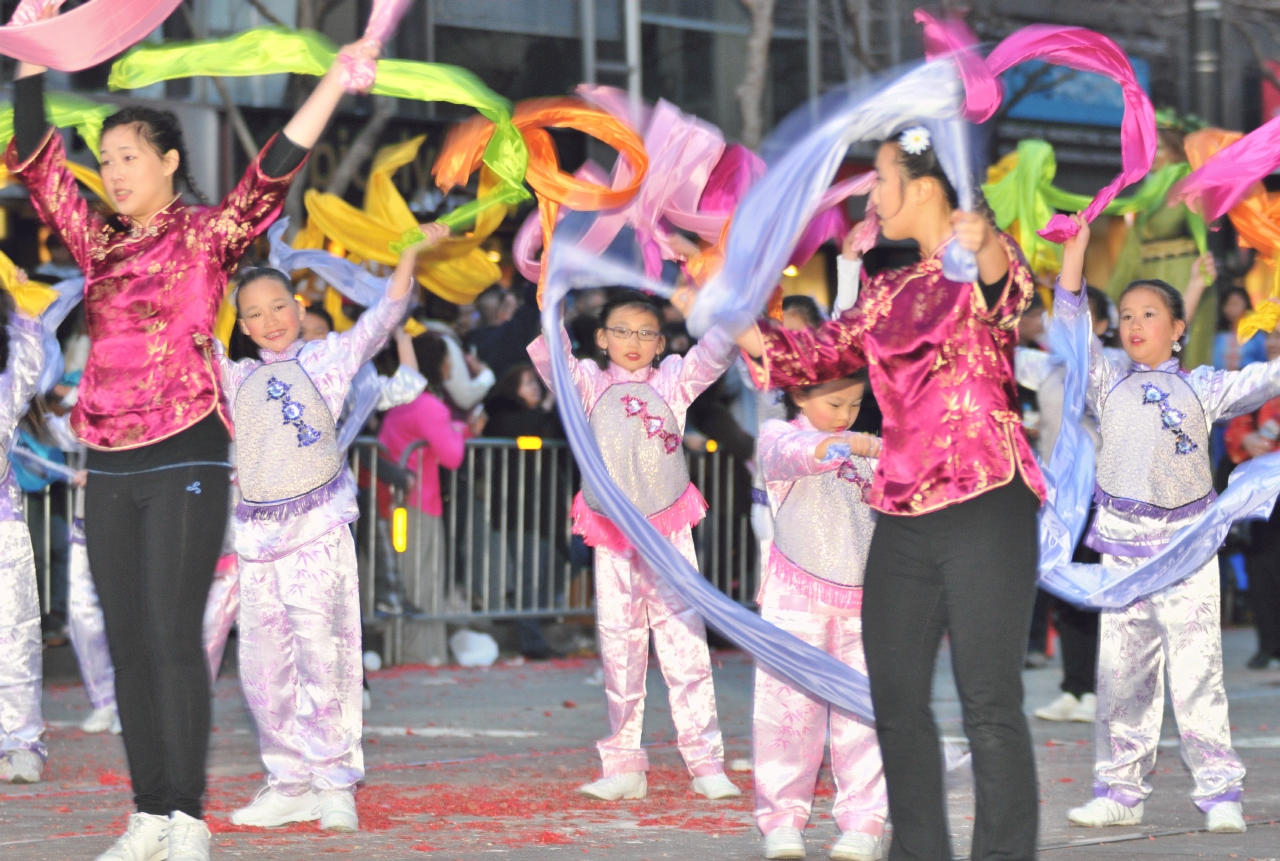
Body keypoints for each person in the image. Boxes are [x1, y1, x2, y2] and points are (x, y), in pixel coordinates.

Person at [4, 16, 372, 858]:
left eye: (128, 154)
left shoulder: (210, 234)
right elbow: (34, 157)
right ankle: (149, 811)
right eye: (105, 158)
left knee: (174, 635)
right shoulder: (94, 241)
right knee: (131, 643)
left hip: (190, 449)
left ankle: (190, 818)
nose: (112, 169)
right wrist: (24, 42)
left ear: (169, 161)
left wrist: (335, 83)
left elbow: (273, 166)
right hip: (109, 458)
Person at [735, 128, 1044, 861]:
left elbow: (1011, 292)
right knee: (896, 700)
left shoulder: (978, 266)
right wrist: (733, 317)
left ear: (925, 188)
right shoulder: (888, 290)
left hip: (985, 499)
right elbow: (807, 355)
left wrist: (988, 239)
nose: (872, 196)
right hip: (901, 511)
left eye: (879, 180)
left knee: (988, 701)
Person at [217, 224, 446, 832]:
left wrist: (410, 255)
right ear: (239, 325)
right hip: (256, 538)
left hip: (319, 528)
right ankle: (288, 781)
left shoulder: (327, 357)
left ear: (299, 309)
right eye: (254, 314)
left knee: (328, 656)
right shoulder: (231, 375)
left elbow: (384, 314)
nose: (269, 321)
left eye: (279, 308)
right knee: (263, 666)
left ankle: (334, 782)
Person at [1056, 214, 1277, 833]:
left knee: (1198, 672)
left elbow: (1267, 378)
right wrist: (1076, 245)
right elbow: (1071, 320)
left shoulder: (1203, 388)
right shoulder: (1106, 382)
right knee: (1122, 677)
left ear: (1179, 329)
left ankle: (1220, 792)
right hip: (1124, 553)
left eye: (1148, 314)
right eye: (1126, 315)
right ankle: (1120, 794)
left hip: (1187, 551)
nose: (1133, 324)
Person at [528, 288, 741, 803]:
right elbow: (554, 351)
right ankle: (624, 765)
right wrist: (550, 293)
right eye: (621, 331)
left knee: (685, 644)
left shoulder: (671, 382)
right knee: (620, 647)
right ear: (601, 339)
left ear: (660, 341)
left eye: (646, 333)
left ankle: (705, 761)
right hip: (613, 534)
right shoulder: (587, 384)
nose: (633, 341)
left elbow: (713, 352)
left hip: (668, 534)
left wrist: (729, 294)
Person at [753, 369, 888, 861]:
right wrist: (861, 444)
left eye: (854, 404)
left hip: (866, 598)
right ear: (799, 395)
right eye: (834, 403)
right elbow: (802, 456)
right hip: (795, 594)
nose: (845, 415)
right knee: (787, 711)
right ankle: (782, 819)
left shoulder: (869, 448)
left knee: (864, 714)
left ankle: (865, 821)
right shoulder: (778, 436)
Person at [0, 287, 48, 784]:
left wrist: (26, 313)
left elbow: (31, 362)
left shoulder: (5, 386)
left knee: (14, 636)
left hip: (4, 527)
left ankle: (21, 741)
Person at [1222, 326, 1280, 670]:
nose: (1273, 342)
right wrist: (1245, 441)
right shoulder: (1257, 378)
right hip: (1262, 483)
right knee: (1259, 564)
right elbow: (1238, 421)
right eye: (1270, 336)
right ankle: (1267, 642)